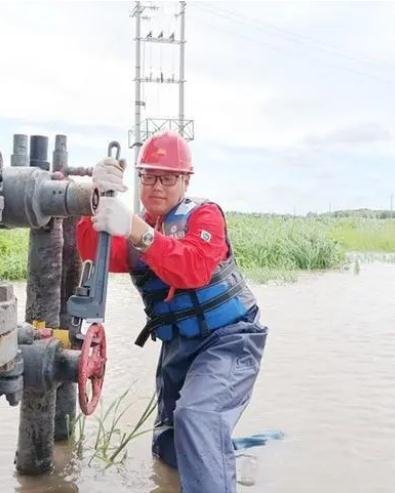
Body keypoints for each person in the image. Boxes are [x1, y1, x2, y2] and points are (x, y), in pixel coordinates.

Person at [76, 131, 267, 493]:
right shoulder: (137, 227)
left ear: (185, 180)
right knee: (169, 447)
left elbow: (192, 269)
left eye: (168, 178)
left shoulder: (204, 216)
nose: (157, 186)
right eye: (148, 176)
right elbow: (94, 253)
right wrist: (94, 202)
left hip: (229, 342)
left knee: (198, 417)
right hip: (178, 348)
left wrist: (135, 228)